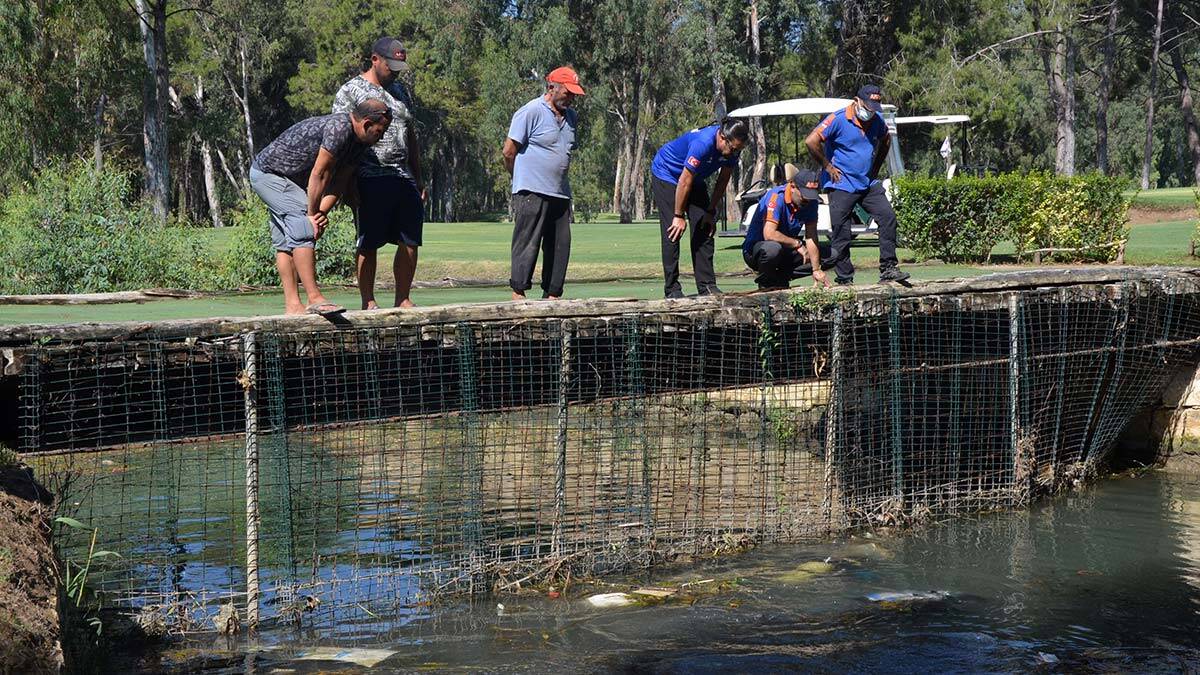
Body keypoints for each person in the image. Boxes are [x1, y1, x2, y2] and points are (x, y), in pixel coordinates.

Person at [249, 99, 391, 315]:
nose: (381, 137)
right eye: (380, 131)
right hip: (270, 174)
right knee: (301, 224)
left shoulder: (360, 143)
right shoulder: (340, 128)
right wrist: (311, 215)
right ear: (366, 124)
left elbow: (339, 181)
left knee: (287, 241)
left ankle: (293, 306)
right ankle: (314, 298)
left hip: (290, 182)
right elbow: (320, 173)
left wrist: (321, 212)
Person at [333, 37, 426, 310]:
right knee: (368, 241)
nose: (395, 71)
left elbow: (411, 135)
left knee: (410, 239)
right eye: (391, 65)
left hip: (402, 175)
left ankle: (403, 298)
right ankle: (368, 300)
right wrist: (346, 184)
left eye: (399, 66)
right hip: (368, 175)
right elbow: (340, 139)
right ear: (375, 59)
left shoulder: (400, 91)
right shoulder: (351, 90)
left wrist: (418, 177)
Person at [804, 84, 910, 285]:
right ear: (857, 101)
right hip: (841, 183)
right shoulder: (838, 119)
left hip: (867, 182)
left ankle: (888, 268)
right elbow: (811, 141)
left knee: (888, 217)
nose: (871, 111)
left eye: (874, 107)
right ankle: (845, 278)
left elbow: (886, 139)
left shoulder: (876, 120)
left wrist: (876, 168)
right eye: (868, 106)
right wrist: (827, 166)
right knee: (841, 231)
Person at [502, 67, 584, 301]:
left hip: (559, 192)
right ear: (551, 88)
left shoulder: (571, 117)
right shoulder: (530, 111)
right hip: (531, 190)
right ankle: (518, 292)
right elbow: (509, 152)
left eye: (574, 94)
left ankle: (552, 294)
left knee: (560, 245)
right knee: (527, 241)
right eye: (567, 93)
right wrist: (519, 180)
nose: (571, 98)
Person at [650, 117, 748, 298]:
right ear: (722, 137)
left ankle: (707, 286)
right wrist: (678, 215)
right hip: (668, 173)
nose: (733, 153)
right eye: (732, 148)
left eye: (738, 150)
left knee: (705, 227)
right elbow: (684, 181)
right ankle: (672, 290)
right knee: (673, 231)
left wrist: (711, 211)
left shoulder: (732, 150)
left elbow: (723, 180)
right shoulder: (702, 143)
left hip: (693, 178)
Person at [743, 167, 830, 289]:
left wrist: (816, 269)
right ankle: (766, 282)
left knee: (832, 254)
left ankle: (780, 278)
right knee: (772, 248)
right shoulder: (776, 197)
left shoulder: (811, 202)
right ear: (793, 186)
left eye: (811, 195)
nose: (807, 199)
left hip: (785, 250)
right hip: (757, 251)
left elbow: (811, 236)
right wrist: (798, 244)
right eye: (805, 194)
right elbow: (769, 234)